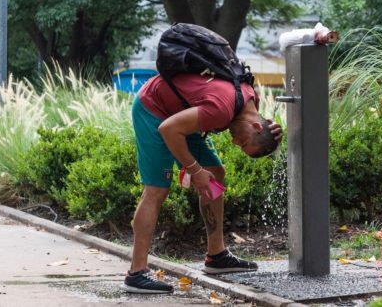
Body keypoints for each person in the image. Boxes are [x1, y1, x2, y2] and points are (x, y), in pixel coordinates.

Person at [121, 71, 283, 294]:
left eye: (240, 145)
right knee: (157, 189)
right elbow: (168, 128)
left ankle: (216, 256)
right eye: (243, 141)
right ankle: (136, 273)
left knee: (215, 173)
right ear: (255, 127)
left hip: (182, 114)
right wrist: (195, 169)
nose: (235, 142)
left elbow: (254, 122)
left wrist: (271, 131)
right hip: (154, 109)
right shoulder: (221, 109)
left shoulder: (251, 99)